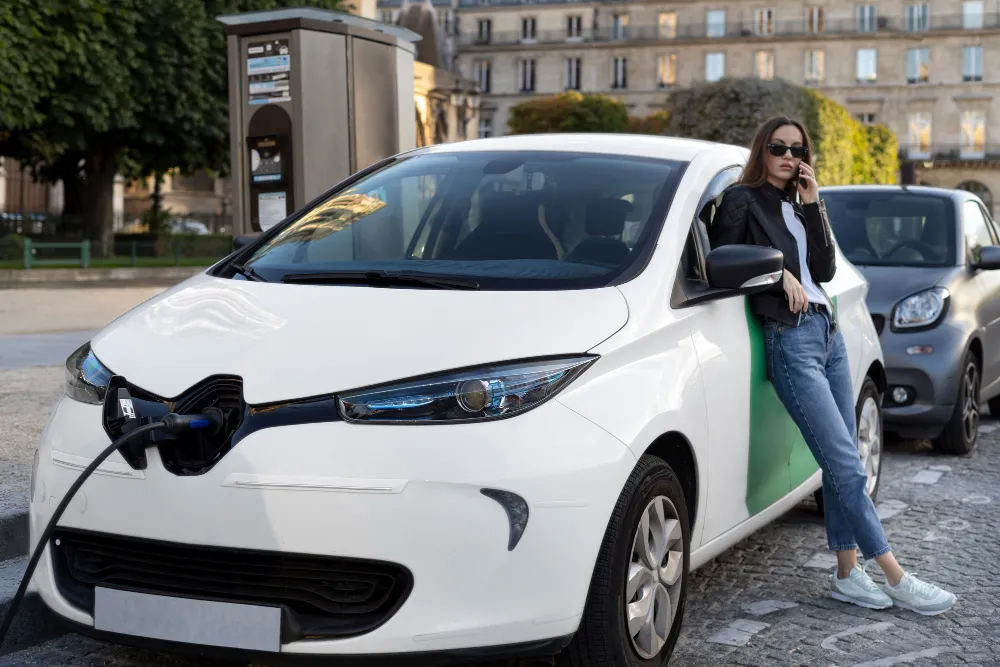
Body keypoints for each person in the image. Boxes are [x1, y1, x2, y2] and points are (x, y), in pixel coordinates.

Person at [703, 116, 957, 615]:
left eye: (797, 148)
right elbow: (721, 259)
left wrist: (814, 203)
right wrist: (776, 276)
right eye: (777, 146)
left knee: (844, 463)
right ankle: (896, 576)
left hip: (828, 332)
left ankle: (845, 573)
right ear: (762, 149)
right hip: (789, 338)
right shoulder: (742, 198)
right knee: (844, 461)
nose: (787, 155)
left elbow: (824, 270)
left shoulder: (800, 204)